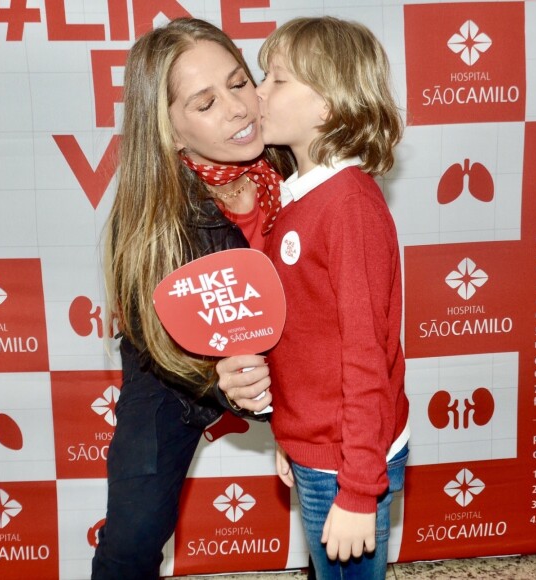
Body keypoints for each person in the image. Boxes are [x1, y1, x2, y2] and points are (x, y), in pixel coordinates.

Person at [92, 17, 293, 579]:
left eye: (237, 82)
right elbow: (157, 338)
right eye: (205, 102)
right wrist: (219, 378)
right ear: (170, 131)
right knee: (130, 540)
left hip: (288, 347)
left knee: (337, 501)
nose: (237, 108)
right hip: (173, 366)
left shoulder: (296, 163)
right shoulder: (152, 218)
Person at [256, 16, 410, 579]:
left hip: (349, 461)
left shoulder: (349, 206)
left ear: (326, 106)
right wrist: (294, 434)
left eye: (277, 80)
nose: (258, 93)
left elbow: (367, 355)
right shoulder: (302, 200)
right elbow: (305, 338)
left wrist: (358, 488)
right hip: (320, 449)